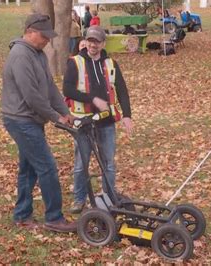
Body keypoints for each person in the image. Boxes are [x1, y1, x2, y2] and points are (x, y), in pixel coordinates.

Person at [1, 13, 76, 232]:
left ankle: (22, 216)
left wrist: (65, 111)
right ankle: (54, 218)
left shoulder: (38, 54)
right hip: (20, 119)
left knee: (29, 169)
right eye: (44, 36)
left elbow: (50, 87)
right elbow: (31, 95)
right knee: (47, 168)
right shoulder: (20, 56)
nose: (47, 40)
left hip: (31, 119)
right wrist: (55, 117)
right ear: (30, 32)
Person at [63, 26, 132, 214]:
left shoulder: (111, 63)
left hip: (106, 122)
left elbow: (122, 90)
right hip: (84, 122)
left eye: (97, 41)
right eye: (90, 40)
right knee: (81, 163)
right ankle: (79, 199)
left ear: (103, 43)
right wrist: (92, 98)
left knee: (108, 163)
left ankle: (109, 197)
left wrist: (127, 115)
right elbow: (67, 90)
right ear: (85, 41)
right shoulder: (74, 62)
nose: (93, 44)